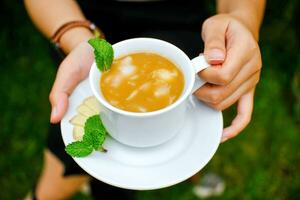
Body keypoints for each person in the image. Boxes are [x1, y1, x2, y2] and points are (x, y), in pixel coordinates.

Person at [24, 0, 265, 199]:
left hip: (181, 25)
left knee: (193, 118)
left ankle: (188, 169)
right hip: (83, 24)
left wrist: (243, 22)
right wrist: (75, 35)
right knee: (67, 158)